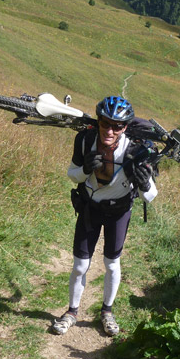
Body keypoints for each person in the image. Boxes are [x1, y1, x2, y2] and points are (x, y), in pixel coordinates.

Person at [52, 95, 157, 337]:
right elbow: (72, 175)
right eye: (105, 123)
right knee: (80, 265)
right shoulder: (85, 140)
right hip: (90, 207)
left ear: (125, 127)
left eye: (117, 126)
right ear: (98, 121)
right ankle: (71, 313)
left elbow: (151, 195)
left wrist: (145, 184)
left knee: (111, 263)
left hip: (119, 211)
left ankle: (107, 312)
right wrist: (86, 168)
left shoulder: (136, 149)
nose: (110, 130)